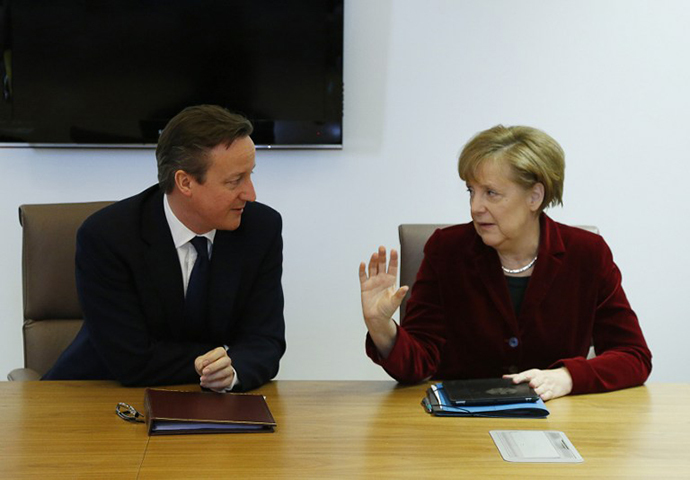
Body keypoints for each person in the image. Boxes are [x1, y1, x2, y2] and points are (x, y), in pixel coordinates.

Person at [359, 125, 651, 401]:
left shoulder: (586, 254)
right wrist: (381, 327)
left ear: (534, 196)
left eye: (491, 193)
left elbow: (633, 355)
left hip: (558, 420)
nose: (475, 207)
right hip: (460, 424)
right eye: (471, 191)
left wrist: (567, 377)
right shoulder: (446, 250)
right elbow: (419, 363)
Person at [43, 105, 286, 392]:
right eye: (235, 181)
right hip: (97, 395)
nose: (251, 194)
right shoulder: (108, 237)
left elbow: (266, 340)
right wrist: (207, 363)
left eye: (250, 175)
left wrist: (232, 372)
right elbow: (132, 361)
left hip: (207, 402)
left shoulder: (260, 229)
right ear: (185, 182)